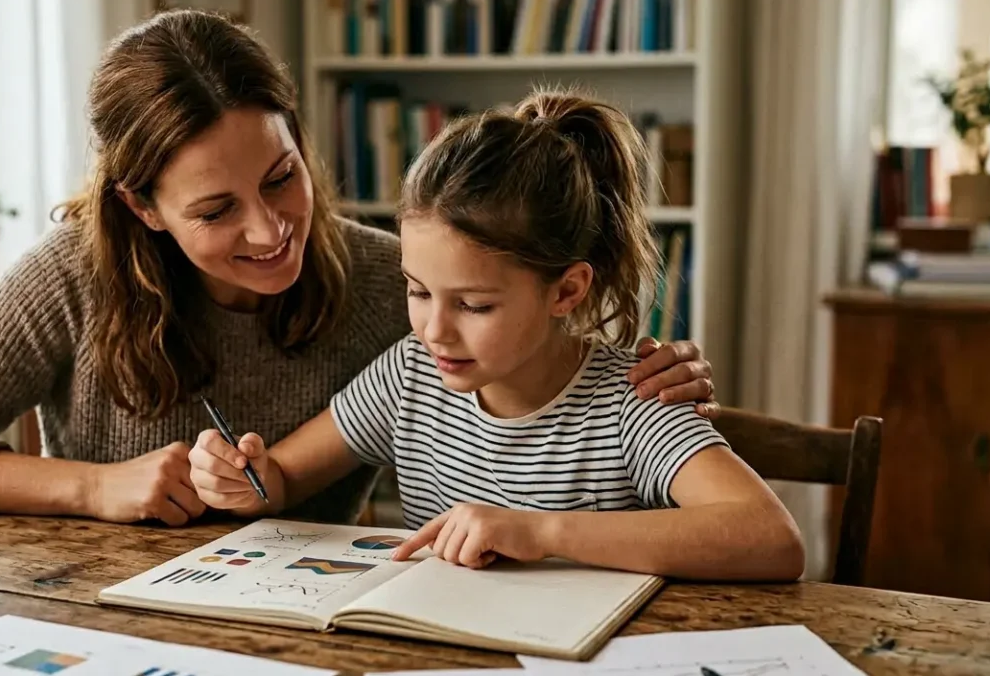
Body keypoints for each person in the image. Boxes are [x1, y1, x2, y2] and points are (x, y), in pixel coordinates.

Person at [0, 9, 717, 528]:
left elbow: (535, 330)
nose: (271, 233)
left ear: (300, 139)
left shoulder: (399, 283)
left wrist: (636, 367)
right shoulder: (73, 276)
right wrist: (94, 488)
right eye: (215, 210)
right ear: (144, 208)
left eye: (280, 177)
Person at [187, 90, 805, 581]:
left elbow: (772, 538)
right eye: (418, 291)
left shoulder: (631, 402)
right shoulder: (409, 376)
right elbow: (282, 479)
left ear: (566, 291)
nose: (434, 330)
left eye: (474, 305)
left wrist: (540, 531)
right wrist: (244, 479)